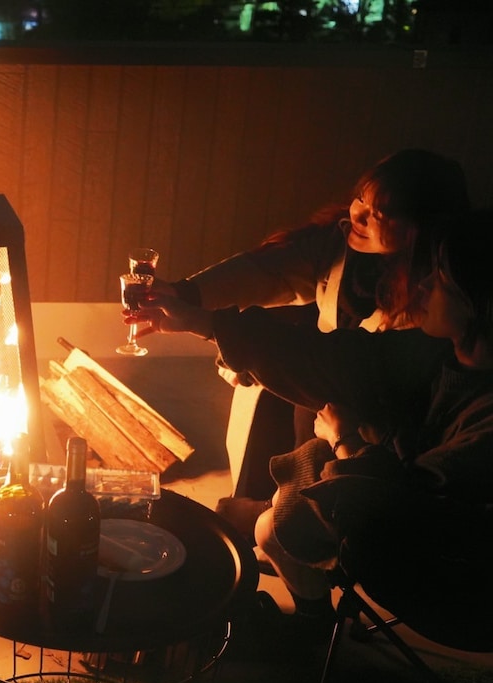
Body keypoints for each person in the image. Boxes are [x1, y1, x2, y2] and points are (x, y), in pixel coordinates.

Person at [134, 208, 493, 640]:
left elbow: (401, 509)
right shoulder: (437, 355)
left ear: (478, 302)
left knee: (276, 520)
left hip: (448, 582)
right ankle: (305, 605)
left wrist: (344, 439)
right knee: (274, 512)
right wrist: (202, 322)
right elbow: (333, 359)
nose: (424, 285)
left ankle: (307, 620)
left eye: (442, 281)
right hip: (395, 523)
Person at [155, 149, 470, 543]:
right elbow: (271, 270)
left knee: (292, 494)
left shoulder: (433, 302)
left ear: (418, 229)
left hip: (373, 441)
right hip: (327, 403)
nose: (357, 214)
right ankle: (268, 507)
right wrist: (186, 294)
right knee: (258, 390)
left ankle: (286, 524)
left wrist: (211, 326)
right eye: (360, 199)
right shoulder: (342, 241)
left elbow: (344, 366)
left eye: (380, 214)